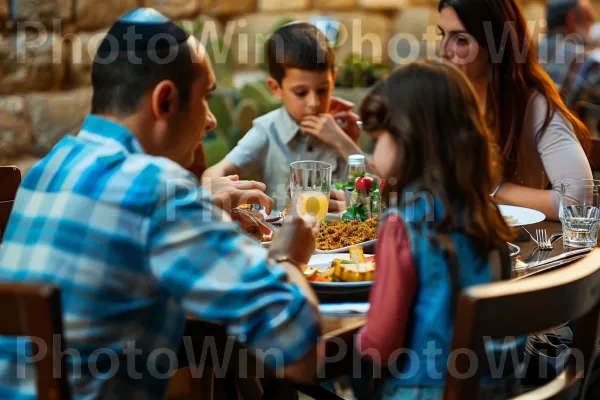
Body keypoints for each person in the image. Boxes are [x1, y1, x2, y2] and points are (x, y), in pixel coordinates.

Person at [0, 8, 324, 399]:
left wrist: (204, 210)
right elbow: (302, 355)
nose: (211, 121)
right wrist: (287, 257)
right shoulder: (159, 190)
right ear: (166, 100)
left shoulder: (47, 169)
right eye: (205, 98)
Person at [355, 60, 520, 399]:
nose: (371, 157)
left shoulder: (401, 224)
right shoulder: (484, 212)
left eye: (377, 140)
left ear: (410, 136)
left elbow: (379, 346)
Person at [437, 0, 593, 220]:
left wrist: (491, 188)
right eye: (442, 34)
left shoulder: (534, 105)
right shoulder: (445, 99)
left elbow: (576, 200)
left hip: (522, 245)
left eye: (460, 39)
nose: (443, 52)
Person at [203, 22, 363, 213]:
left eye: (322, 90)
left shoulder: (340, 127)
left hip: (339, 238)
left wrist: (345, 142)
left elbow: (376, 193)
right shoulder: (268, 130)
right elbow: (216, 172)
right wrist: (215, 188)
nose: (314, 102)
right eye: (301, 92)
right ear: (276, 88)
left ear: (333, 80)